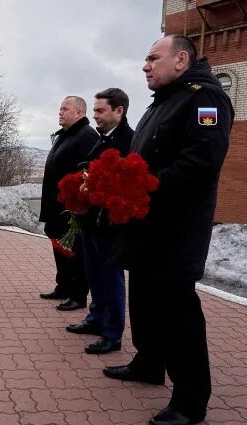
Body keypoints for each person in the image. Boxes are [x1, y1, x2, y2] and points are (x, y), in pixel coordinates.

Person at [103, 35, 233, 425]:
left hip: (176, 229)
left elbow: (202, 161)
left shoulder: (203, 97)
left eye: (152, 58)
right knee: (144, 301)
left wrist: (142, 187)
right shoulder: (166, 99)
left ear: (180, 59)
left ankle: (190, 402)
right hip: (148, 226)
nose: (145, 66)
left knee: (177, 312)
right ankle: (149, 363)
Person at [65, 88, 133, 355]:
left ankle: (112, 332)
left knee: (110, 277)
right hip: (90, 221)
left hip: (109, 224)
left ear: (119, 111)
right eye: (94, 110)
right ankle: (96, 319)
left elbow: (125, 184)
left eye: (100, 110)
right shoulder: (103, 138)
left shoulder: (128, 139)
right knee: (94, 274)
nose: (95, 116)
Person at [39, 96, 98, 311]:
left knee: (74, 251)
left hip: (70, 207)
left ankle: (77, 294)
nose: (60, 112)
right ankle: (63, 286)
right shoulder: (66, 135)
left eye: (65, 109)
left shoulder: (86, 136)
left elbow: (85, 172)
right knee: (60, 248)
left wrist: (77, 202)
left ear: (79, 113)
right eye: (60, 109)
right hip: (56, 205)